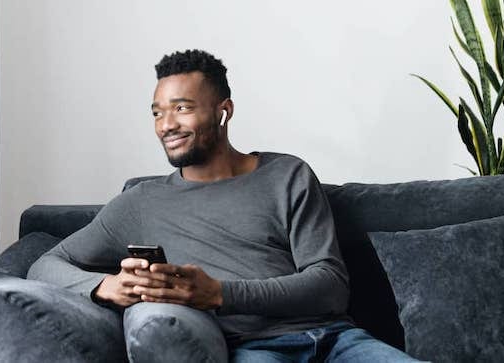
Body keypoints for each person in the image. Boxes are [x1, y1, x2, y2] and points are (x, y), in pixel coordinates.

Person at [26, 49, 420, 362]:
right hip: (253, 349)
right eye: (157, 113)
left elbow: (330, 286)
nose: (166, 125)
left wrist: (219, 293)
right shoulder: (141, 203)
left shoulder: (288, 175)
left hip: (339, 340)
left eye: (182, 108)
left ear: (223, 111)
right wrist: (104, 286)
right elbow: (44, 265)